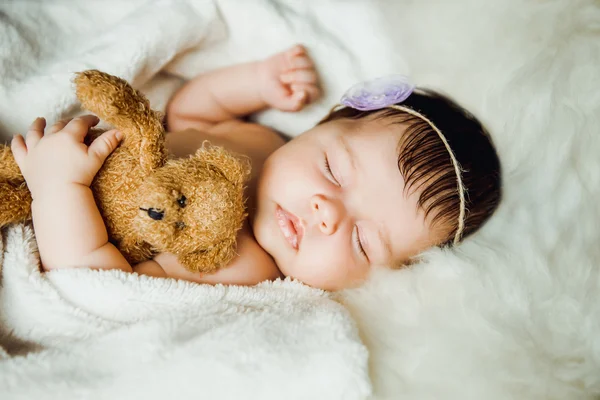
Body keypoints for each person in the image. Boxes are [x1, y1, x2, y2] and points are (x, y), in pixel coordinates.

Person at [11, 44, 501, 291]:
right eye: (332, 169)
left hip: (51, 193)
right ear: (318, 126)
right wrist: (258, 83)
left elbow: (101, 276)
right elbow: (191, 113)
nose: (326, 213)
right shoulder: (264, 140)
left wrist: (58, 188)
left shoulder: (242, 262)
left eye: (362, 241)